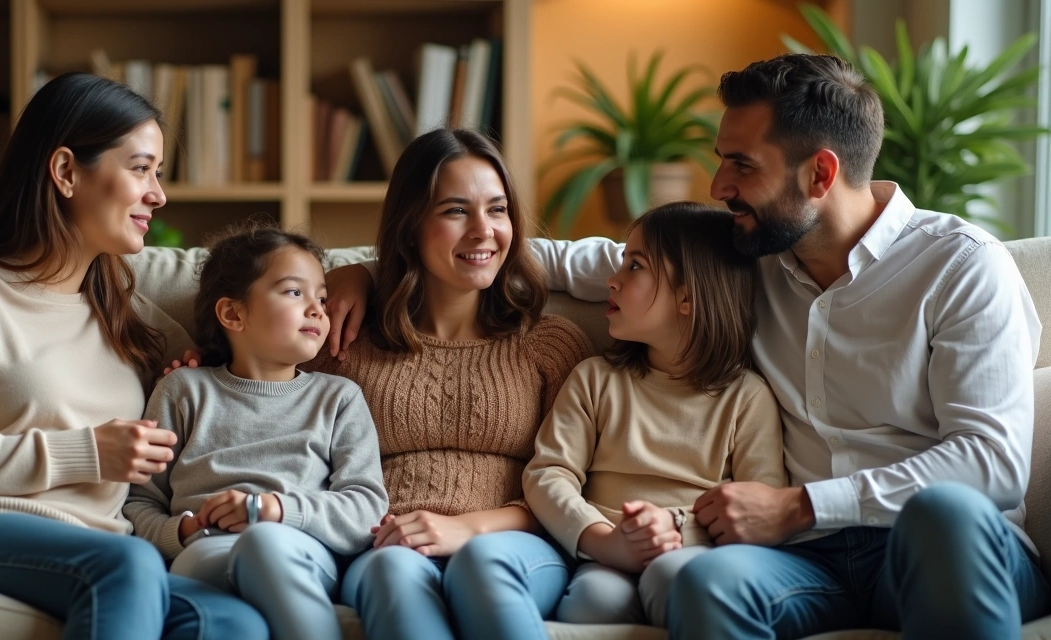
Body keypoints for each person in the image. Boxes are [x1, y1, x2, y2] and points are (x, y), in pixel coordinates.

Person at [326, 54, 1051, 639]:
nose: (718, 184)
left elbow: (989, 463)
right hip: (810, 565)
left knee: (947, 513)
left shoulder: (960, 266)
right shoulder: (745, 259)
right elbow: (526, 254)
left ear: (820, 174)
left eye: (742, 166)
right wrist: (363, 270)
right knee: (704, 582)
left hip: (938, 551)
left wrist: (799, 505)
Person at [0, 72, 267, 640]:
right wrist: (84, 453)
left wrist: (349, 283)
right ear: (65, 172)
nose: (159, 193)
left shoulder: (125, 309)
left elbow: (239, 363)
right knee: (127, 567)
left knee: (232, 618)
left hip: (104, 548)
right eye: (141, 168)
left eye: (158, 173)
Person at [306, 128, 593, 640]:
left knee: (482, 564)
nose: (483, 230)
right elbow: (264, 393)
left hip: (509, 545)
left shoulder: (550, 345)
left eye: (498, 209)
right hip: (386, 544)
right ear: (411, 225)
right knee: (393, 572)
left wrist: (467, 527)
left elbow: (576, 486)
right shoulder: (346, 340)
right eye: (456, 210)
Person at [522, 201, 785, 627]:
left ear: (687, 298)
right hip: (604, 551)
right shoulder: (595, 379)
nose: (612, 280)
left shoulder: (747, 398)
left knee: (671, 577)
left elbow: (758, 505)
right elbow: (547, 472)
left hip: (695, 555)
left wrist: (676, 528)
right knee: (593, 600)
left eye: (635, 266)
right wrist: (603, 539)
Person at [124, 225, 388, 640]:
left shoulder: (339, 397)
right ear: (233, 314)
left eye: (321, 297)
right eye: (294, 292)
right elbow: (139, 503)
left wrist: (278, 510)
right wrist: (183, 531)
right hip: (207, 551)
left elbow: (366, 507)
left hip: (299, 549)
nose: (319, 309)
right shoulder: (183, 390)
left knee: (263, 544)